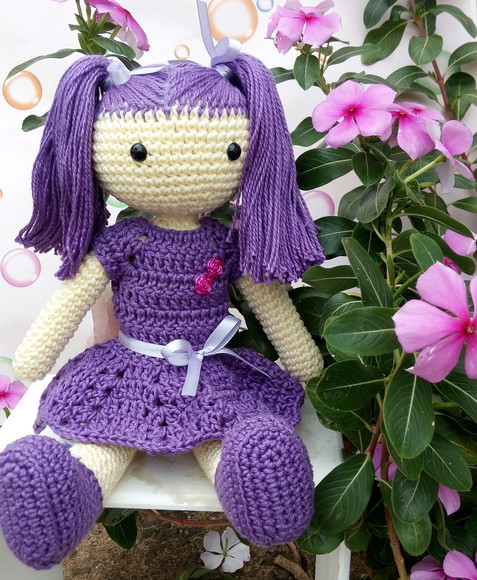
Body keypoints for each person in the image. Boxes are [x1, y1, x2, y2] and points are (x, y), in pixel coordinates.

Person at [0, 52, 325, 570]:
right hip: (129, 368)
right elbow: (73, 296)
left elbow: (268, 298)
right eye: (139, 152)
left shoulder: (226, 241)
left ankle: (252, 475)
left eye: (229, 151)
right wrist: (36, 356)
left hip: (210, 367)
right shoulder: (124, 241)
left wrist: (300, 356)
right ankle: (65, 490)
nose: (182, 169)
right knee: (106, 438)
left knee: (228, 432)